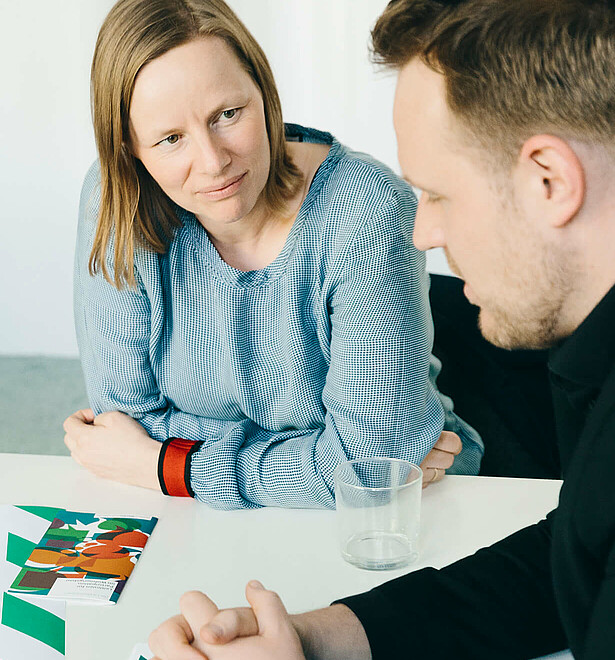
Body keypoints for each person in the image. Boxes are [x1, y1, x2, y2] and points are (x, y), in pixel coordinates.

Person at [149, 0, 615, 657]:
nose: (425, 232)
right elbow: (584, 549)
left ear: (549, 179)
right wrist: (314, 640)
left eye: (439, 194)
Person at [64, 0, 481, 510]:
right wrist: (332, 458)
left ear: (264, 93)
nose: (214, 162)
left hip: (395, 517)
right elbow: (124, 419)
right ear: (128, 146)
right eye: (170, 139)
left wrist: (165, 463)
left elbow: (371, 468)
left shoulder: (367, 210)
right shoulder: (114, 198)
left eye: (227, 115)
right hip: (194, 515)